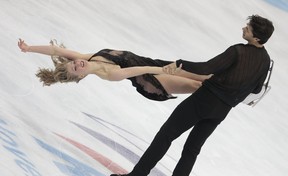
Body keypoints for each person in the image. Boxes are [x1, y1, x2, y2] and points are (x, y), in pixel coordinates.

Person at [110, 14, 274, 176]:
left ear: (256, 38)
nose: (244, 29)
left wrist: (180, 63)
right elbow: (256, 90)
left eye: (248, 29)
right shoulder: (265, 60)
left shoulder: (237, 51)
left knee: (166, 135)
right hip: (221, 111)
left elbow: (206, 68)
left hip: (203, 100)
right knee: (191, 151)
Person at [18, 39, 211, 101]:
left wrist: (28, 49)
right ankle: (240, 97)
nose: (77, 64)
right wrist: (164, 70)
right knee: (199, 85)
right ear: (81, 76)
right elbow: (139, 69)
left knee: (205, 74)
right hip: (154, 79)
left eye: (73, 62)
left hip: (154, 63)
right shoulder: (110, 75)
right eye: (76, 69)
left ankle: (240, 87)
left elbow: (54, 50)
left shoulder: (89, 57)